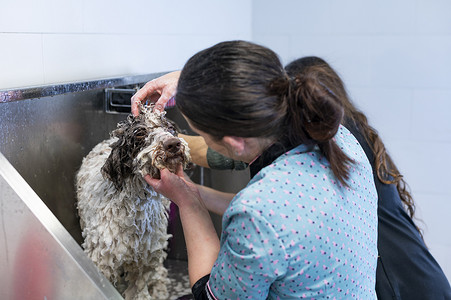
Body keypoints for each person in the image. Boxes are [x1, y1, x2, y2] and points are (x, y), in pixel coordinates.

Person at [134, 53, 451, 299]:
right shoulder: (340, 138)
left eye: (203, 131)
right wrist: (195, 86)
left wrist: (188, 200)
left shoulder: (262, 206)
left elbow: (252, 220)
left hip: (400, 288)